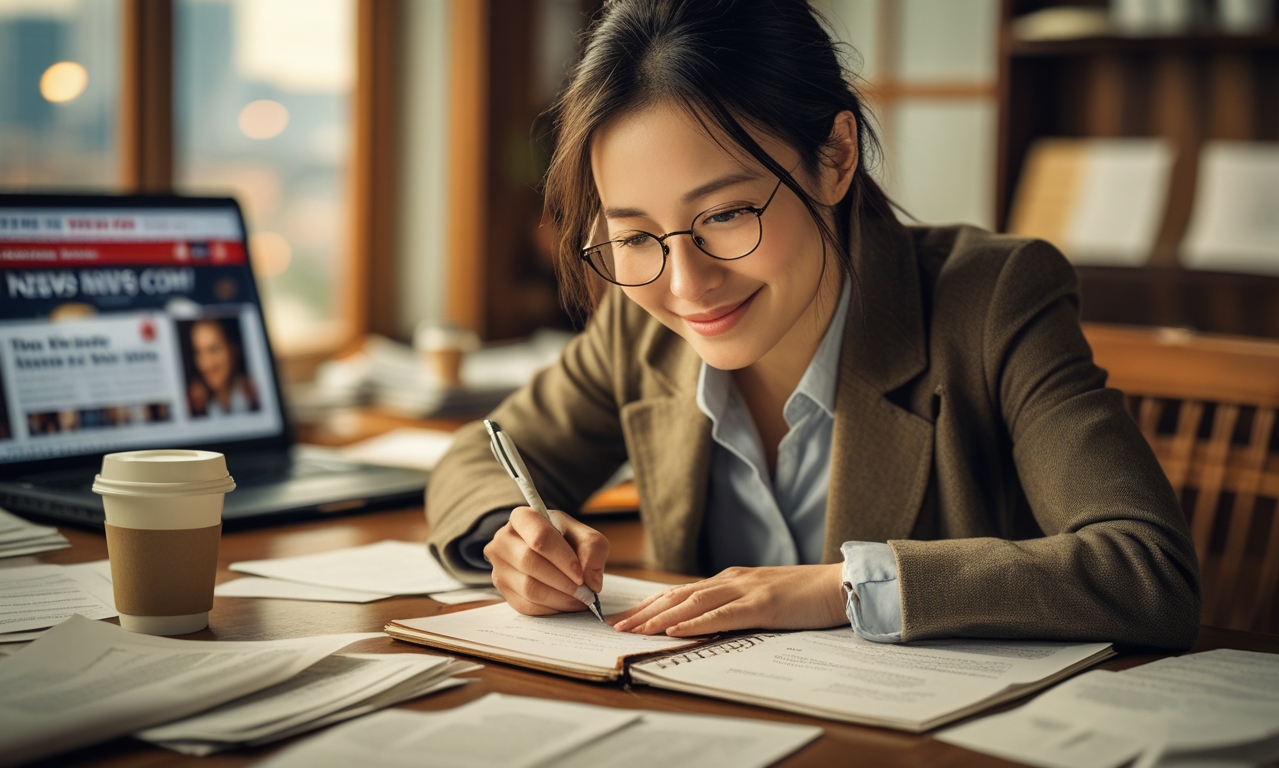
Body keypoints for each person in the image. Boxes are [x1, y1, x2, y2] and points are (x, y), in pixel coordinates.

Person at [426, 0, 1201, 648]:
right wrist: (515, 536)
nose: (687, 283)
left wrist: (844, 589)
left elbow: (1146, 569)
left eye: (726, 214)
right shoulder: (643, 325)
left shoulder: (991, 301)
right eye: (634, 237)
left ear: (834, 157)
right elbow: (478, 457)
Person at [185, 318, 259, 418]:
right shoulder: (193, 406)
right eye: (198, 352)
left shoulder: (257, 393)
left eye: (214, 350)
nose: (207, 364)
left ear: (233, 349)